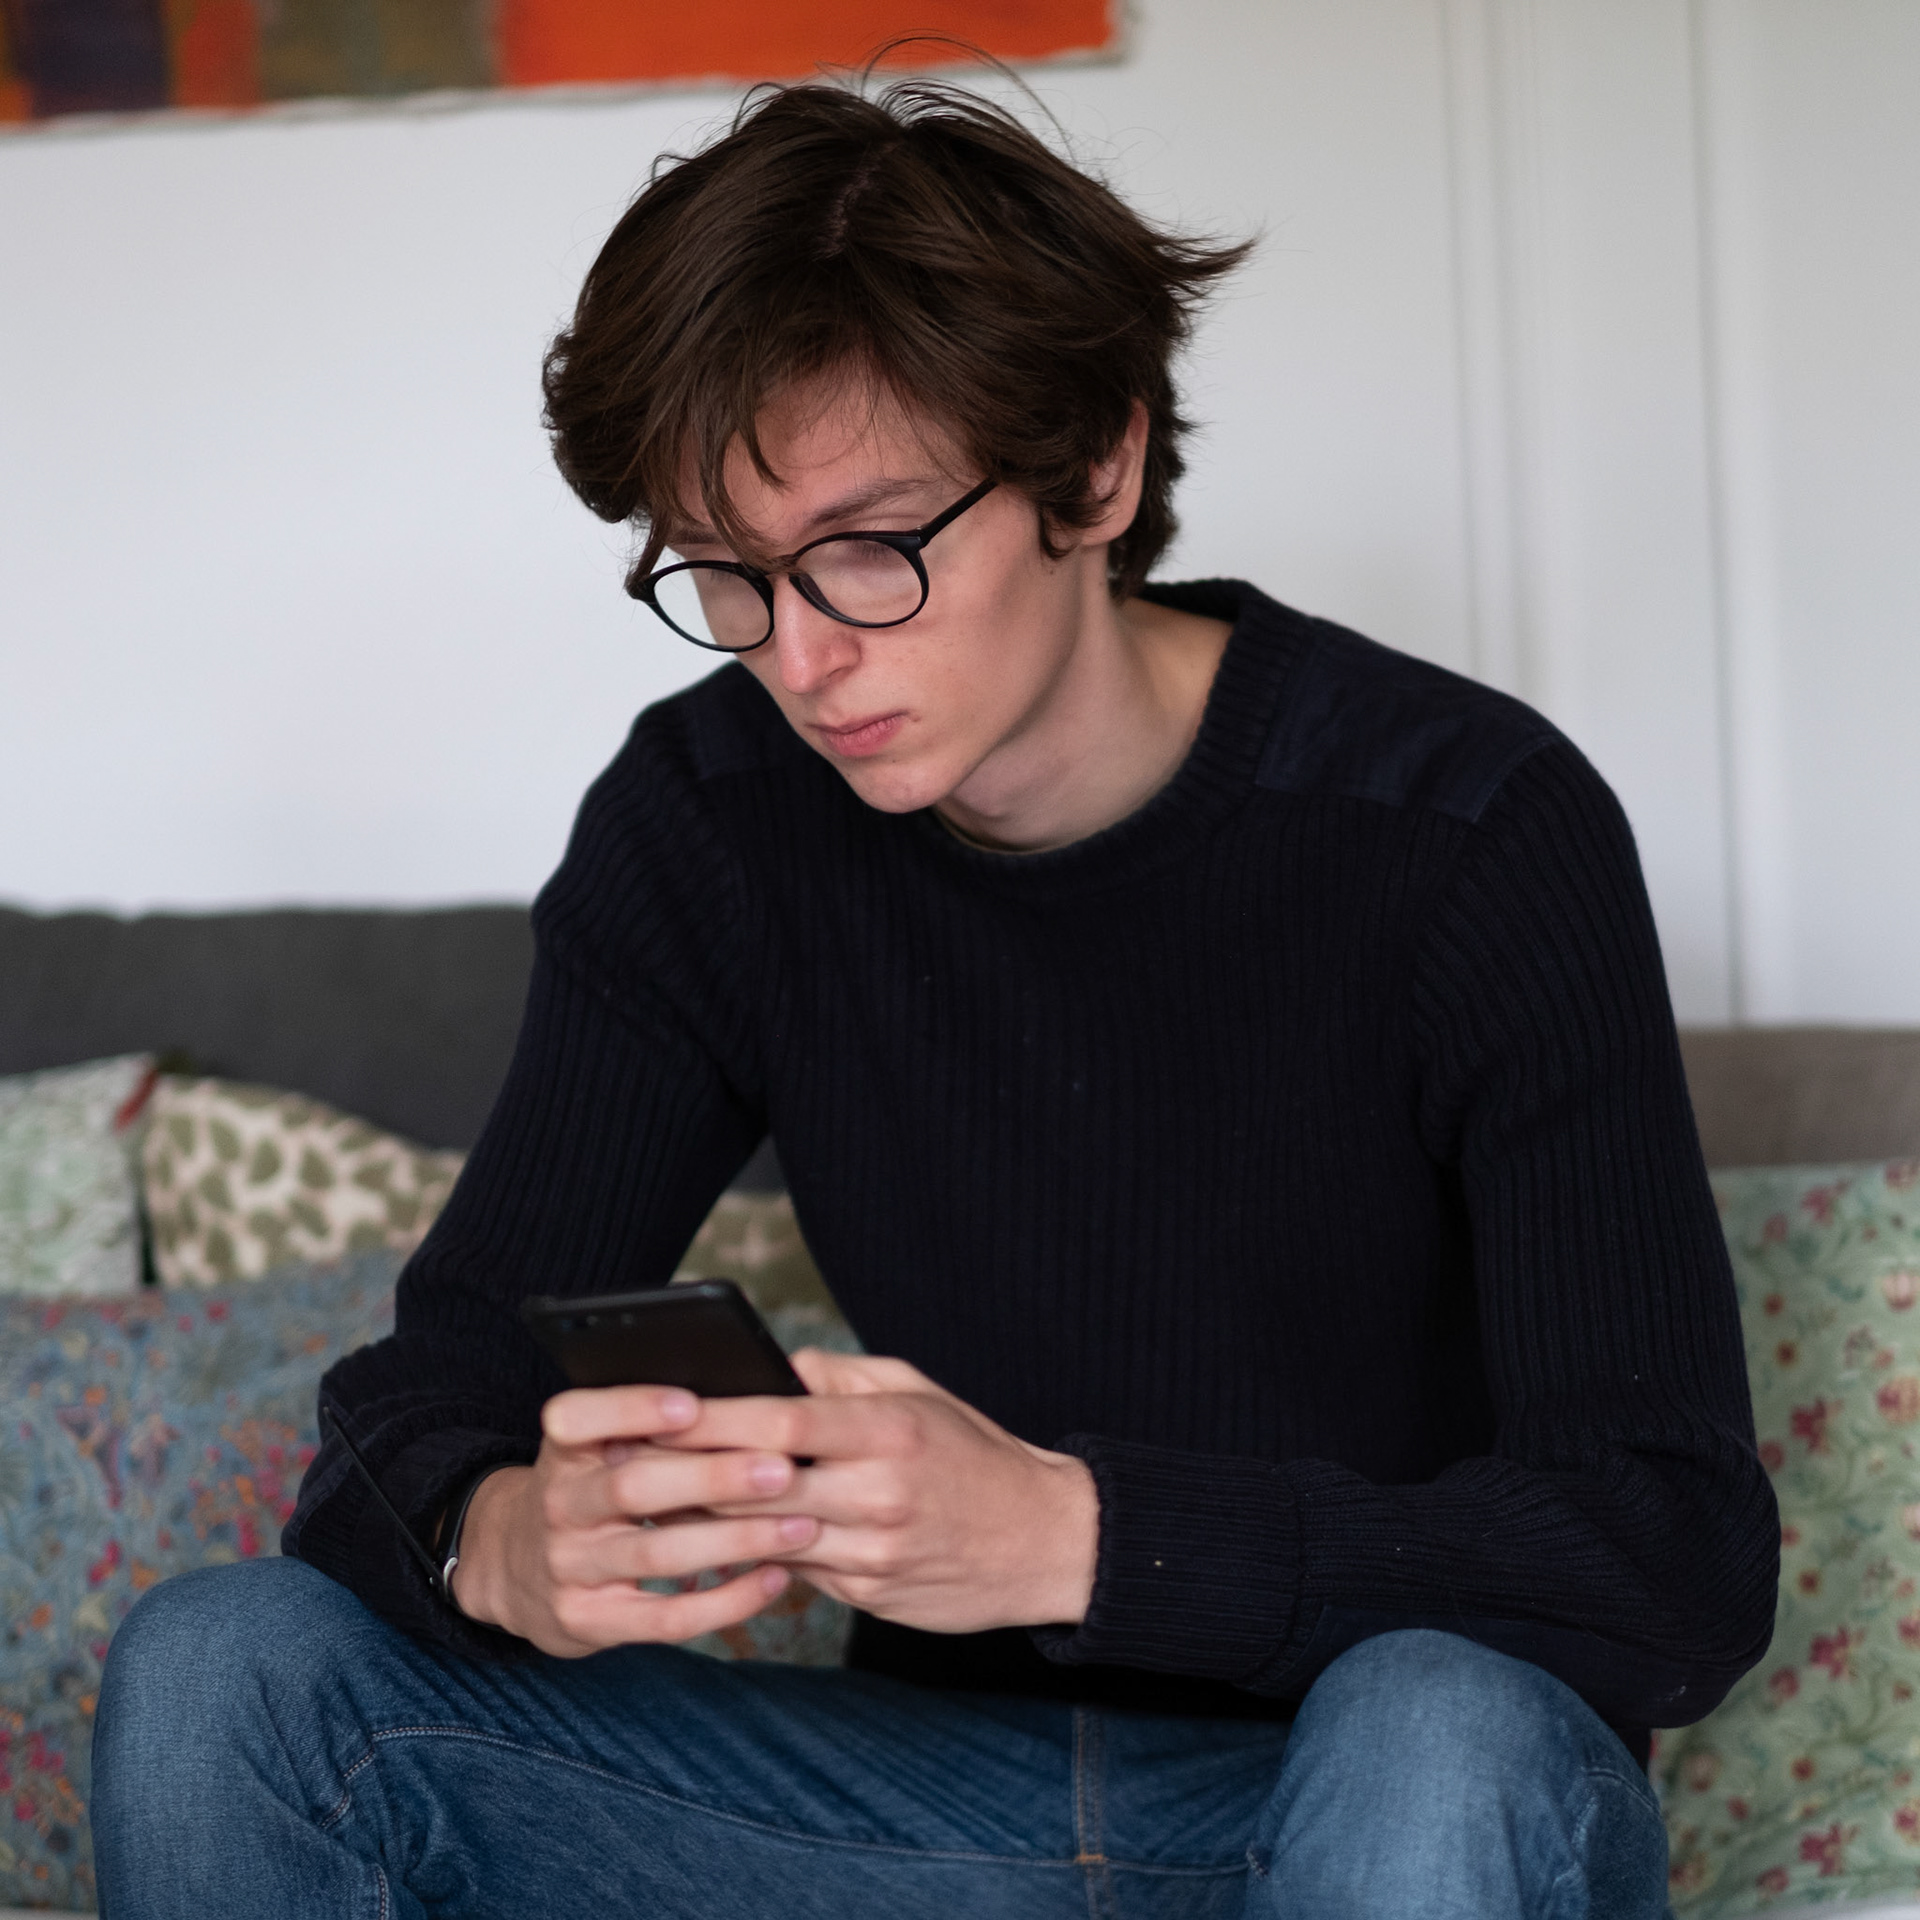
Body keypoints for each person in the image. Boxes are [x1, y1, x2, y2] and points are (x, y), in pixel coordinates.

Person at [93, 68, 1778, 1920]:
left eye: (872, 551)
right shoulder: (713, 823)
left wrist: (1078, 1536)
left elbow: (1671, 1558)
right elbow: (434, 1386)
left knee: (1433, 1730)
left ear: (1098, 469)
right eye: (731, 576)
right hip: (927, 1815)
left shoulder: (1468, 827)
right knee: (227, 1669)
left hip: (1388, 1795)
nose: (803, 658)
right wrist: (492, 1536)